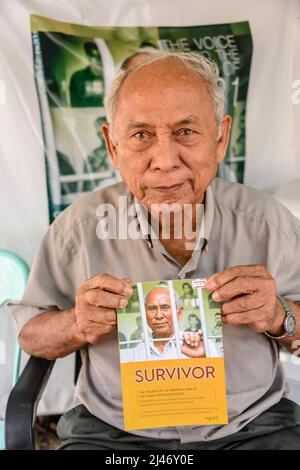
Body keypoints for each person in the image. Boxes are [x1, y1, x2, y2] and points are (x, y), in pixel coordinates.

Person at [8, 51, 300, 450]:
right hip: (115, 435)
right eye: (141, 135)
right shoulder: (78, 229)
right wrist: (76, 323)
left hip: (250, 429)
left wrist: (277, 314)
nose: (165, 162)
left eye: (185, 132)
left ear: (220, 137)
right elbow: (30, 335)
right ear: (113, 145)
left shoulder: (269, 224)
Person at [121, 286, 205, 362]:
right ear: (144, 314)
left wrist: (203, 359)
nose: (159, 315)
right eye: (152, 309)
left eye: (165, 308)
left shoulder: (202, 346)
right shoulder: (135, 353)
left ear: (179, 312)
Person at [69, 41, 104, 107]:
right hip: (84, 116)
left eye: (101, 56)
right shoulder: (77, 77)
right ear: (88, 57)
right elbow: (74, 107)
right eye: (95, 56)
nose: (99, 60)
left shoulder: (112, 76)